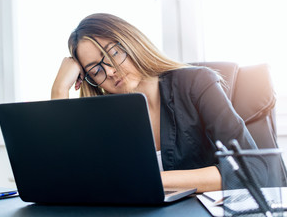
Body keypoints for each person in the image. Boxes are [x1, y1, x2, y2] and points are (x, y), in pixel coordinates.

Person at [51, 13, 258, 193]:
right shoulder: (102, 114)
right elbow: (67, 180)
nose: (111, 71)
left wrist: (150, 181)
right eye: (96, 70)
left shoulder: (197, 83)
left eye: (112, 53)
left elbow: (252, 167)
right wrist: (59, 90)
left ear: (131, 41)